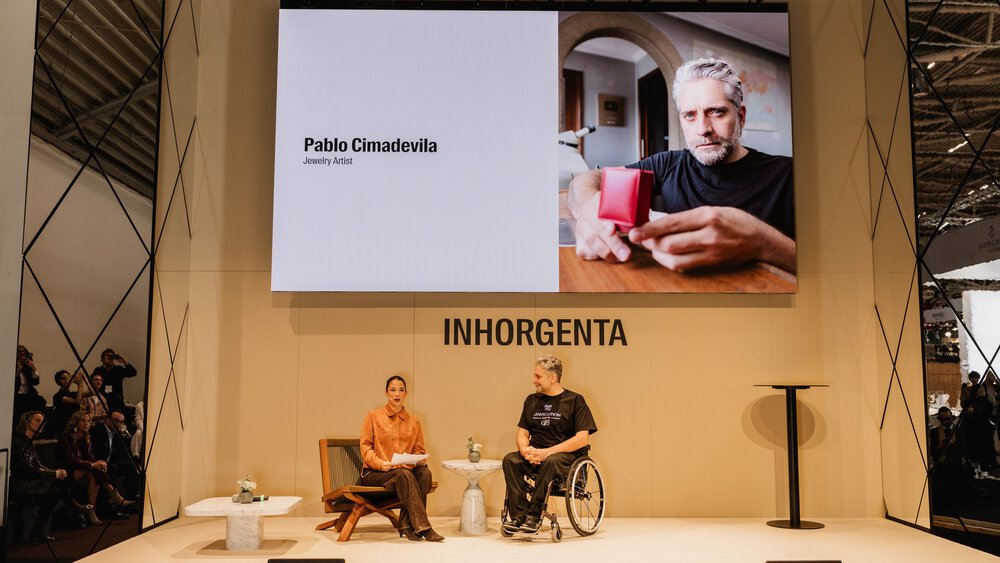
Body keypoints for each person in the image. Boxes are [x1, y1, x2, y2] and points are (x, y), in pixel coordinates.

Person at [568, 57, 795, 274]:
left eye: (716, 112)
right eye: (690, 115)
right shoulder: (667, 164)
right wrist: (589, 206)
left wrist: (761, 241)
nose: (703, 129)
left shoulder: (789, 174)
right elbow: (588, 179)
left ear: (741, 117)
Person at [502, 355, 597, 533]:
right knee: (510, 460)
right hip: (536, 454)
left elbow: (582, 438)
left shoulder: (575, 401)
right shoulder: (531, 400)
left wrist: (546, 453)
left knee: (551, 461)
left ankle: (533, 516)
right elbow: (523, 433)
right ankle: (519, 516)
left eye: (538, 376)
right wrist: (525, 451)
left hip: (565, 457)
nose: (533, 380)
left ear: (553, 378)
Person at [358, 375, 443, 542]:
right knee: (404, 475)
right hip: (375, 474)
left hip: (403, 475)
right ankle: (424, 527)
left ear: (406, 393)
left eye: (401, 390)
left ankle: (405, 524)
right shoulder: (373, 416)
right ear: (386, 393)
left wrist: (418, 459)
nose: (397, 393)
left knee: (424, 473)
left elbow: (419, 450)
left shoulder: (414, 421)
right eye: (393, 390)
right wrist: (381, 464)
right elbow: (365, 448)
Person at [58, 411, 134, 526]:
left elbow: (90, 457)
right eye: (83, 421)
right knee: (95, 470)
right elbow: (72, 460)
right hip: (66, 471)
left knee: (95, 474)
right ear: (76, 422)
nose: (86, 423)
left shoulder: (85, 438)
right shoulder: (67, 438)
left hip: (84, 469)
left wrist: (98, 463)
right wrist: (93, 465)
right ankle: (113, 494)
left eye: (88, 421)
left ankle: (92, 511)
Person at [11, 411, 68, 542]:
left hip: (30, 481)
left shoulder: (29, 442)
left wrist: (54, 472)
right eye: (37, 420)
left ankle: (38, 529)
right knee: (56, 488)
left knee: (57, 488)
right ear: (26, 422)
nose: (41, 424)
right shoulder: (18, 441)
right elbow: (28, 469)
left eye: (42, 421)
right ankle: (38, 529)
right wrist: (54, 473)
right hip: (20, 484)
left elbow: (39, 465)